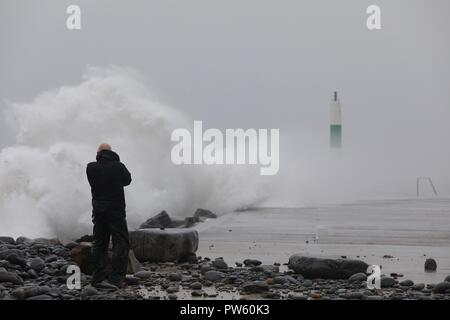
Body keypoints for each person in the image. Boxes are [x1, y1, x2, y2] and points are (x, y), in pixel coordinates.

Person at [86, 143, 132, 288]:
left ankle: (98, 277)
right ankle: (116, 278)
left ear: (98, 153)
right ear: (111, 153)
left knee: (99, 243)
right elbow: (127, 180)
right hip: (116, 211)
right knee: (120, 243)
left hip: (98, 211)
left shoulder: (91, 167)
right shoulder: (118, 166)